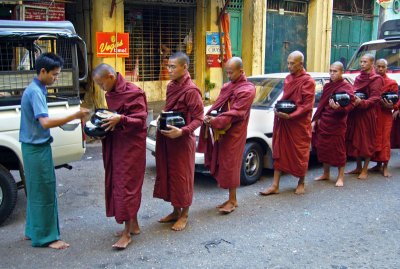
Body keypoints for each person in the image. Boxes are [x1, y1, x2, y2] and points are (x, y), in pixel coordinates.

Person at [19, 53, 89, 249]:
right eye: (55, 75)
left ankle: (33, 230)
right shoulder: (35, 91)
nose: (56, 78)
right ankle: (47, 238)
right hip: (36, 148)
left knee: (35, 191)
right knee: (45, 192)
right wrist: (74, 114)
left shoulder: (37, 88)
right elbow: (45, 122)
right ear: (43, 71)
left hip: (32, 147)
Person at [92, 63, 147, 250]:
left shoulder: (134, 92)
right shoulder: (111, 93)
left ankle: (126, 234)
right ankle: (134, 224)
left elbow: (140, 120)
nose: (101, 88)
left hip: (132, 146)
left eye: (101, 84)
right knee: (119, 182)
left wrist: (120, 119)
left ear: (110, 76)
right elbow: (114, 115)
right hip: (117, 143)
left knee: (126, 186)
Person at [198, 57, 255, 214]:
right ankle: (231, 198)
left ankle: (233, 200)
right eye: (227, 72)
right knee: (224, 163)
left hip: (235, 132)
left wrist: (216, 121)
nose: (228, 75)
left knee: (232, 164)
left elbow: (237, 112)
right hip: (222, 131)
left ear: (241, 71)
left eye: (231, 73)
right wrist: (210, 116)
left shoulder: (248, 89)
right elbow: (220, 106)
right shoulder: (227, 86)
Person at [153, 52, 204, 231]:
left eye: (173, 67)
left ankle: (184, 214)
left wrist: (182, 131)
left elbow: (199, 118)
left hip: (182, 141)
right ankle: (175, 210)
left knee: (183, 177)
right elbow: (170, 109)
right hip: (169, 139)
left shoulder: (191, 91)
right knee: (171, 175)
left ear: (185, 67)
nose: (169, 70)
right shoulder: (171, 86)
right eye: (168, 66)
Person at [260, 51, 315, 196]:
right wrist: (278, 109)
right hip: (285, 121)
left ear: (301, 64)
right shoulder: (288, 79)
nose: (289, 66)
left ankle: (301, 182)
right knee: (279, 151)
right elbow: (286, 99)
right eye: (288, 62)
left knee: (300, 153)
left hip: (298, 123)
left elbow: (307, 105)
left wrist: (292, 116)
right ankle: (275, 185)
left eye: (292, 63)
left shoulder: (308, 81)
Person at [312, 62, 354, 187]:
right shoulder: (327, 86)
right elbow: (322, 104)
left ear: (342, 72)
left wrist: (339, 109)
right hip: (325, 121)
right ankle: (326, 173)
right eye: (330, 70)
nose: (332, 73)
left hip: (338, 122)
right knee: (323, 147)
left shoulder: (346, 86)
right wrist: (316, 119)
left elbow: (351, 104)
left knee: (338, 149)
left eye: (335, 71)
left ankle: (340, 177)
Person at [345, 54, 384, 179]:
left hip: (367, 113)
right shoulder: (358, 78)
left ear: (371, 63)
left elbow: (376, 97)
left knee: (366, 141)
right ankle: (358, 167)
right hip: (356, 112)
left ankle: (365, 169)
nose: (362, 64)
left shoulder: (376, 78)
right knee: (356, 139)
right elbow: (354, 92)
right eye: (361, 62)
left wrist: (362, 102)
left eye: (365, 62)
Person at [369, 59, 398, 177]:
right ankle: (377, 164)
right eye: (378, 66)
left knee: (385, 140)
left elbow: (396, 100)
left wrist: (392, 106)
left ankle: (385, 166)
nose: (380, 69)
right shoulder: (371, 81)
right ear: (375, 67)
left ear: (386, 68)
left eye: (383, 67)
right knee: (374, 139)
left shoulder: (392, 83)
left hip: (385, 115)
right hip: (374, 114)